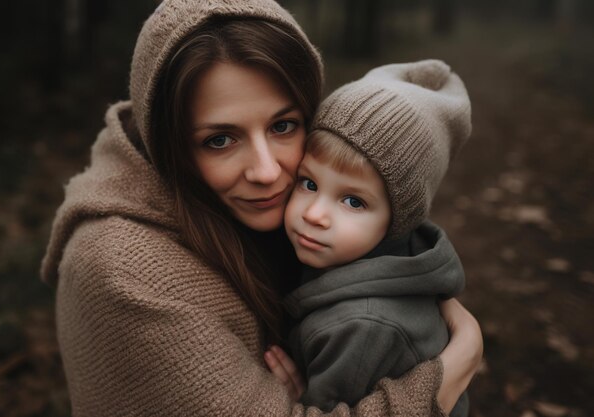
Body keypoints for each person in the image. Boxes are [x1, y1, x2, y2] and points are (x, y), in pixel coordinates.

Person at [40, 1, 482, 416]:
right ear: (169, 145)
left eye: (283, 125)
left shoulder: (281, 215)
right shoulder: (123, 270)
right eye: (220, 139)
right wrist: (444, 379)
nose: (268, 172)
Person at [282, 60, 472, 415]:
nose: (314, 214)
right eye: (309, 183)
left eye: (353, 201)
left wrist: (295, 398)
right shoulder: (342, 255)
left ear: (398, 221)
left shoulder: (362, 329)